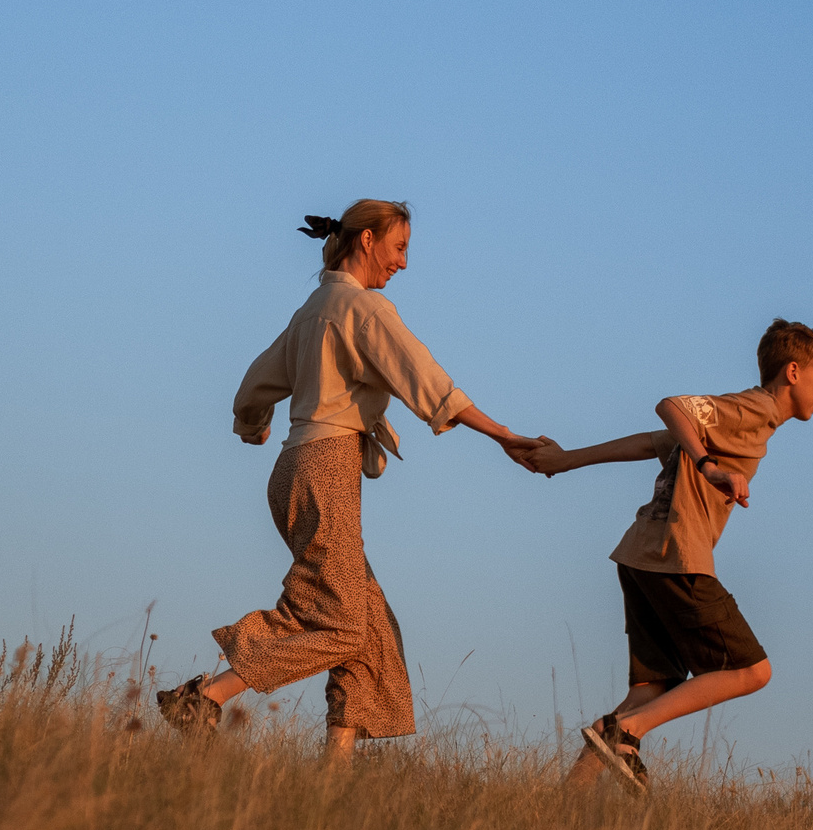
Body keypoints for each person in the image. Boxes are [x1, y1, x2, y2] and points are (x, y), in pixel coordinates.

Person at [158, 200, 544, 753]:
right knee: (338, 622)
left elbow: (252, 385)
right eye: (399, 248)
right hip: (327, 470)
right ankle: (204, 698)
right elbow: (430, 384)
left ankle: (334, 779)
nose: (404, 264)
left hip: (295, 467)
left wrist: (253, 424)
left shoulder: (313, 308)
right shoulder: (365, 310)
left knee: (371, 628)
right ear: (366, 241)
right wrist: (503, 434)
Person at [525, 319, 813, 791]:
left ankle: (567, 798)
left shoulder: (749, 421)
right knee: (751, 670)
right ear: (793, 372)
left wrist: (568, 459)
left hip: (642, 555)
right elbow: (671, 407)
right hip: (676, 554)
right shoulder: (754, 408)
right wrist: (709, 466)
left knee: (653, 688)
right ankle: (627, 734)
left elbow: (652, 441)